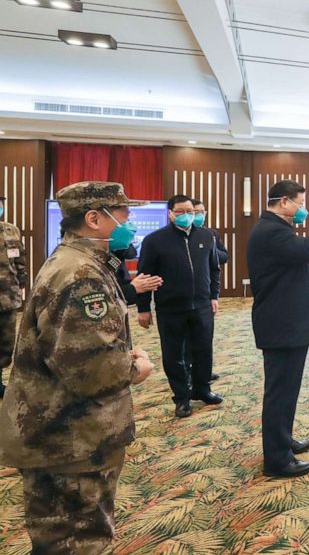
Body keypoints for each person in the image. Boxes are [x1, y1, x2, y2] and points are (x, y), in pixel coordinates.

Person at [0, 181, 155, 554]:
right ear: (93, 219)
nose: (128, 221)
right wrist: (137, 369)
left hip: (63, 434)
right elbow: (93, 372)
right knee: (76, 542)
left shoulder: (76, 262)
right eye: (122, 214)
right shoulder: (80, 275)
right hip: (70, 441)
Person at [248, 180, 309, 478]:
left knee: (287, 390)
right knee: (280, 392)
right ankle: (277, 460)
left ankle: (282, 440)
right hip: (282, 325)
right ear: (283, 203)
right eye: (300, 204)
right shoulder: (271, 231)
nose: (302, 209)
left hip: (286, 323)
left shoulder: (275, 229)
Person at [136, 194, 222, 418]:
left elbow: (214, 269)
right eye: (181, 212)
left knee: (203, 350)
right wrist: (143, 308)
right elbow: (145, 276)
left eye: (191, 212)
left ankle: (203, 389)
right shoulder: (155, 240)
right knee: (174, 354)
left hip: (202, 305)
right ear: (170, 213)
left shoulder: (206, 236)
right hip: (170, 307)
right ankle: (182, 398)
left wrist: (214, 296)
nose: (187, 216)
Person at [191, 198, 226, 381]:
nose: (200, 215)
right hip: (184, 298)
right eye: (196, 212)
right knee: (186, 341)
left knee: (205, 338)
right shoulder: (177, 236)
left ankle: (204, 373)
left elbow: (223, 256)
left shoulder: (210, 234)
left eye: (202, 212)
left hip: (206, 294)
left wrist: (210, 250)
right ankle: (188, 373)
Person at [0, 195, 27, 399]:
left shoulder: (11, 230)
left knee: (6, 341)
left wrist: (21, 283)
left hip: (8, 297)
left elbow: (20, 260)